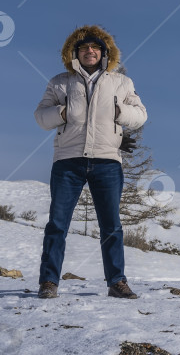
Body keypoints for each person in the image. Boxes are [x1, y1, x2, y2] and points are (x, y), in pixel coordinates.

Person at [34, 24, 147, 299]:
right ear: (74, 52)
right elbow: (40, 117)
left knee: (111, 225)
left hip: (107, 161)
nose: (90, 51)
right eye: (84, 47)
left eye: (95, 47)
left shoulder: (121, 82)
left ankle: (116, 282)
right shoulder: (60, 82)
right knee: (57, 224)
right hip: (68, 161)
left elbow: (141, 114)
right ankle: (49, 282)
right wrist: (62, 113)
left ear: (105, 52)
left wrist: (119, 111)